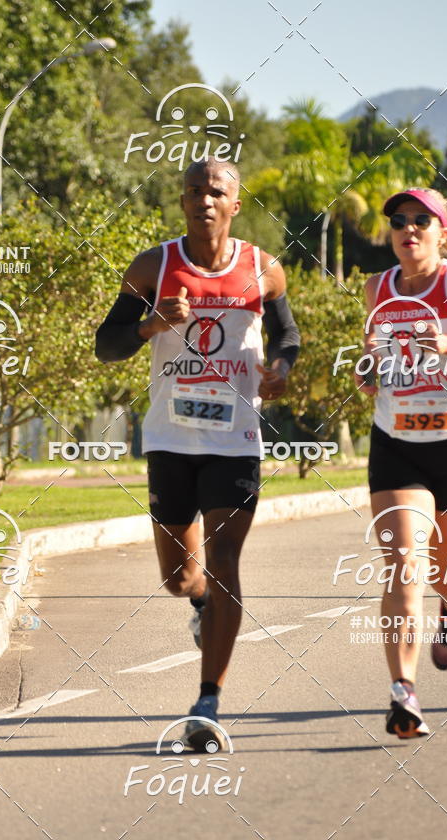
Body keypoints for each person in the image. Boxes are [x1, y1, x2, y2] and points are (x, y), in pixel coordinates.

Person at [95, 157, 300, 751]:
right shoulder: (153, 266)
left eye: (216, 192)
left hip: (235, 440)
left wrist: (281, 369)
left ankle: (207, 703)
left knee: (227, 562)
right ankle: (201, 601)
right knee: (179, 577)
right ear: (181, 202)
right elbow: (105, 346)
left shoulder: (263, 269)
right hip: (170, 439)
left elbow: (287, 335)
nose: (204, 200)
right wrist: (149, 326)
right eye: (193, 191)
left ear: (235, 204)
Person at [356, 185, 447, 739]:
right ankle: (403, 694)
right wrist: (369, 370)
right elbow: (373, 353)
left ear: (441, 230)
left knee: (446, 577)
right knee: (403, 568)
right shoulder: (376, 288)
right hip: (397, 442)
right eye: (398, 221)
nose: (407, 229)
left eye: (420, 220)